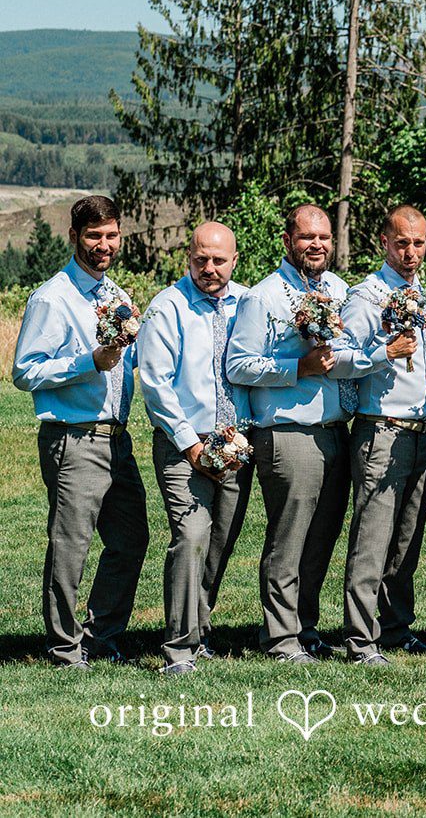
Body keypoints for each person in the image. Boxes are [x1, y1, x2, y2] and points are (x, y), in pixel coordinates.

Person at [12, 195, 148, 667]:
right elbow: (25, 371)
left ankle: (101, 635)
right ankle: (64, 647)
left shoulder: (118, 297)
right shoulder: (52, 298)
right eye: (94, 236)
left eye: (111, 235)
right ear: (74, 237)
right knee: (71, 545)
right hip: (73, 437)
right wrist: (87, 362)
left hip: (117, 437)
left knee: (131, 539)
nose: (104, 245)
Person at [225, 204, 351, 662]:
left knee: (322, 538)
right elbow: (238, 365)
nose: (316, 245)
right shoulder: (263, 298)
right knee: (290, 537)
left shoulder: (340, 291)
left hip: (336, 430)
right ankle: (280, 637)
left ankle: (306, 627)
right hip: (288, 432)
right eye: (306, 237)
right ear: (287, 241)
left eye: (323, 237)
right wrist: (296, 367)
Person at [137, 221, 252, 675]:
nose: (209, 268)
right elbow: (156, 385)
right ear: (188, 257)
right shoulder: (168, 307)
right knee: (190, 537)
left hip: (236, 443)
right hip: (184, 441)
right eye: (201, 259)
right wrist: (190, 448)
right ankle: (179, 647)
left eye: (219, 260)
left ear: (234, 260)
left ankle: (200, 629)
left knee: (221, 540)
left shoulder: (247, 303)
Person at [332, 206, 426, 664]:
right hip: (381, 429)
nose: (411, 252)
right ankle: (360, 639)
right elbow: (337, 358)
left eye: (418, 243)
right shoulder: (367, 297)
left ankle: (396, 628)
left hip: (421, 430)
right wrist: (385, 351)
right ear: (383, 242)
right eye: (402, 243)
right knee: (373, 538)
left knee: (407, 539)